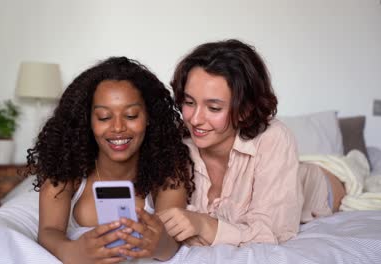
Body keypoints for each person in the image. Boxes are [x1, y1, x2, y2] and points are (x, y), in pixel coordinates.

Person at [159, 39, 346, 247]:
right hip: (281, 168)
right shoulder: (178, 146)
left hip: (324, 184)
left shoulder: (275, 137)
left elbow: (274, 232)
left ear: (245, 110)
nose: (195, 119)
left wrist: (205, 225)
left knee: (349, 175)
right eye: (189, 102)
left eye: (213, 108)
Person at [24, 57, 194, 263]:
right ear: (87, 120)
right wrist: (74, 252)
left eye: (131, 115)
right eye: (104, 117)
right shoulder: (66, 168)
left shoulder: (169, 169)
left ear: (149, 117)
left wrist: (158, 245)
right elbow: (49, 231)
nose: (118, 128)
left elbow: (170, 245)